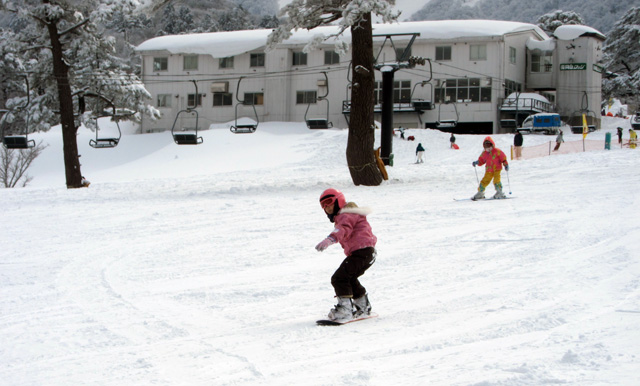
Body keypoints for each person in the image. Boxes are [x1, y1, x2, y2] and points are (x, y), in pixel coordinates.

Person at [315, 188, 377, 321]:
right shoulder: (347, 215)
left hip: (362, 252)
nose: (327, 207)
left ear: (339, 200)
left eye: (329, 202)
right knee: (350, 278)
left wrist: (330, 239)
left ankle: (345, 310)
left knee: (339, 278)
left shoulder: (346, 215)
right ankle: (363, 307)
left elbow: (343, 229)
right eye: (323, 206)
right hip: (366, 253)